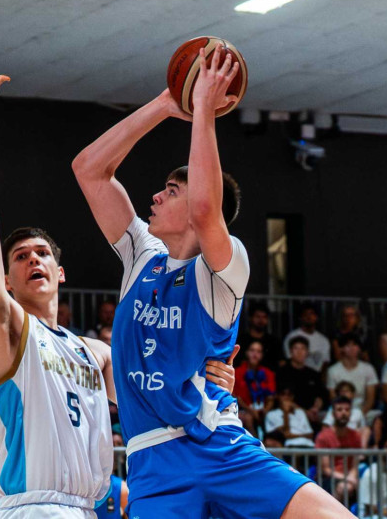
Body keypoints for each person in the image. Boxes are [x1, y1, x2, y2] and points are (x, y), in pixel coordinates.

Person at [0, 37, 237, 518]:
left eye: (41, 254)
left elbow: (158, 387)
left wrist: (210, 379)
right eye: (19, 257)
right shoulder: (5, 327)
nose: (32, 261)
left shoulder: (95, 353)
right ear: (6, 281)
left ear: (61, 273)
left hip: (86, 509)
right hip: (33, 508)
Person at [71, 39, 347, 517]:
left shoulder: (225, 267)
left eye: (170, 190)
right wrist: (166, 103)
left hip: (219, 447)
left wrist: (204, 109)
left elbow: (204, 209)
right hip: (152, 462)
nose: (155, 197)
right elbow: (89, 170)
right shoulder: (142, 255)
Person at [315, 396, 361, 503]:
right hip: (327, 479)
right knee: (344, 487)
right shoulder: (323, 436)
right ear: (333, 413)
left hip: (349, 478)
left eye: (347, 409)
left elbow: (355, 466)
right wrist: (347, 479)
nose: (344, 413)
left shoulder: (355, 436)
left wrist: (351, 478)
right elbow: (326, 469)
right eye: (339, 410)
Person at [277, 337, 328, 425]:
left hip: (314, 414)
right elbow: (283, 398)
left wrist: (316, 408)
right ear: (290, 352)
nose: (299, 352)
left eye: (303, 349)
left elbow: (321, 395)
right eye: (296, 348)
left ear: (307, 352)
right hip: (291, 413)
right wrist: (305, 413)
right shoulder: (282, 373)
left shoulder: (313, 374)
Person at [326, 333, 379, 416]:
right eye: (348, 345)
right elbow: (333, 397)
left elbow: (370, 400)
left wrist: (359, 415)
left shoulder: (368, 368)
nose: (351, 348)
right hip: (341, 412)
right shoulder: (332, 370)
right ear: (342, 349)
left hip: (363, 411)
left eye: (354, 345)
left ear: (359, 348)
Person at [234, 340, 276, 435]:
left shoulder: (268, 373)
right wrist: (252, 411)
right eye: (252, 350)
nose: (255, 354)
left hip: (264, 410)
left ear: (262, 355)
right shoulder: (237, 372)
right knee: (248, 418)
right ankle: (255, 442)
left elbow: (271, 397)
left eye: (258, 351)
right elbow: (236, 397)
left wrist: (265, 411)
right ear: (247, 353)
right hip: (243, 409)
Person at [282, 303, 331, 372]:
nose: (309, 317)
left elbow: (325, 363)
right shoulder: (291, 337)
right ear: (300, 318)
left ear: (316, 317)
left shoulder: (324, 340)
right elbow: (289, 360)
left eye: (312, 314)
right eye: (305, 314)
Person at [322, 381, 370, 447]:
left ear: (353, 394)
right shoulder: (333, 411)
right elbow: (325, 427)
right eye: (342, 391)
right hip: (337, 436)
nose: (344, 393)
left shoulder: (358, 412)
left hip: (353, 437)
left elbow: (362, 428)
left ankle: (362, 453)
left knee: (366, 430)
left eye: (347, 391)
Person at [235, 302, 283, 368]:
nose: (261, 320)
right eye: (257, 316)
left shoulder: (274, 341)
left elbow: (281, 363)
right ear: (250, 318)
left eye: (264, 317)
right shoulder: (241, 340)